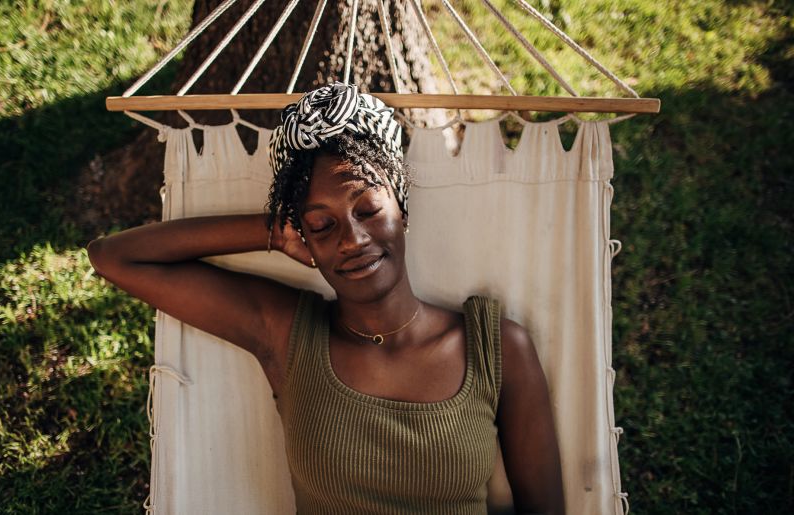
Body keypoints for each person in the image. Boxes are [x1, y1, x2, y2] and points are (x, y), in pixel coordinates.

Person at [87, 83, 564, 514]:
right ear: (305, 239)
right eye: (322, 225)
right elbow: (115, 257)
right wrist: (273, 232)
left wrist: (313, 222)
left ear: (403, 208)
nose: (352, 239)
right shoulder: (287, 334)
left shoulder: (494, 347)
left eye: (368, 209)